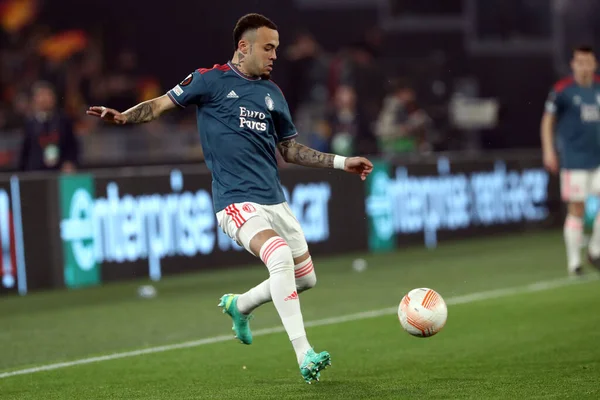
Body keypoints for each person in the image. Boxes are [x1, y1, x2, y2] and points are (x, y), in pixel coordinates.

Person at [86, 13, 373, 383]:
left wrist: (341, 161)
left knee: (305, 279)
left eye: (277, 49)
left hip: (275, 201)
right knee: (280, 257)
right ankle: (305, 354)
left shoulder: (272, 93)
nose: (274, 56)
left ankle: (240, 305)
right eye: (268, 48)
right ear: (244, 46)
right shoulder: (209, 80)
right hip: (235, 202)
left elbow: (288, 150)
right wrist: (124, 117)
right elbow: (158, 105)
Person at [541, 45, 600, 276]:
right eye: (580, 62)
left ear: (594, 64)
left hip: (598, 158)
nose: (584, 66)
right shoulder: (563, 90)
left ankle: (595, 250)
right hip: (574, 159)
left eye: (588, 62)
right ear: (573, 64)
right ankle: (574, 263)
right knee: (577, 208)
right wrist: (548, 150)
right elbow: (547, 120)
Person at [19, 81, 79, 173]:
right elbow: (24, 152)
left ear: (54, 98)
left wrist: (70, 162)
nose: (44, 99)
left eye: (47, 95)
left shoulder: (63, 121)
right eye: (41, 95)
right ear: (34, 99)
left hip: (60, 172)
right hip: (36, 173)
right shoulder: (29, 124)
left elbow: (72, 146)